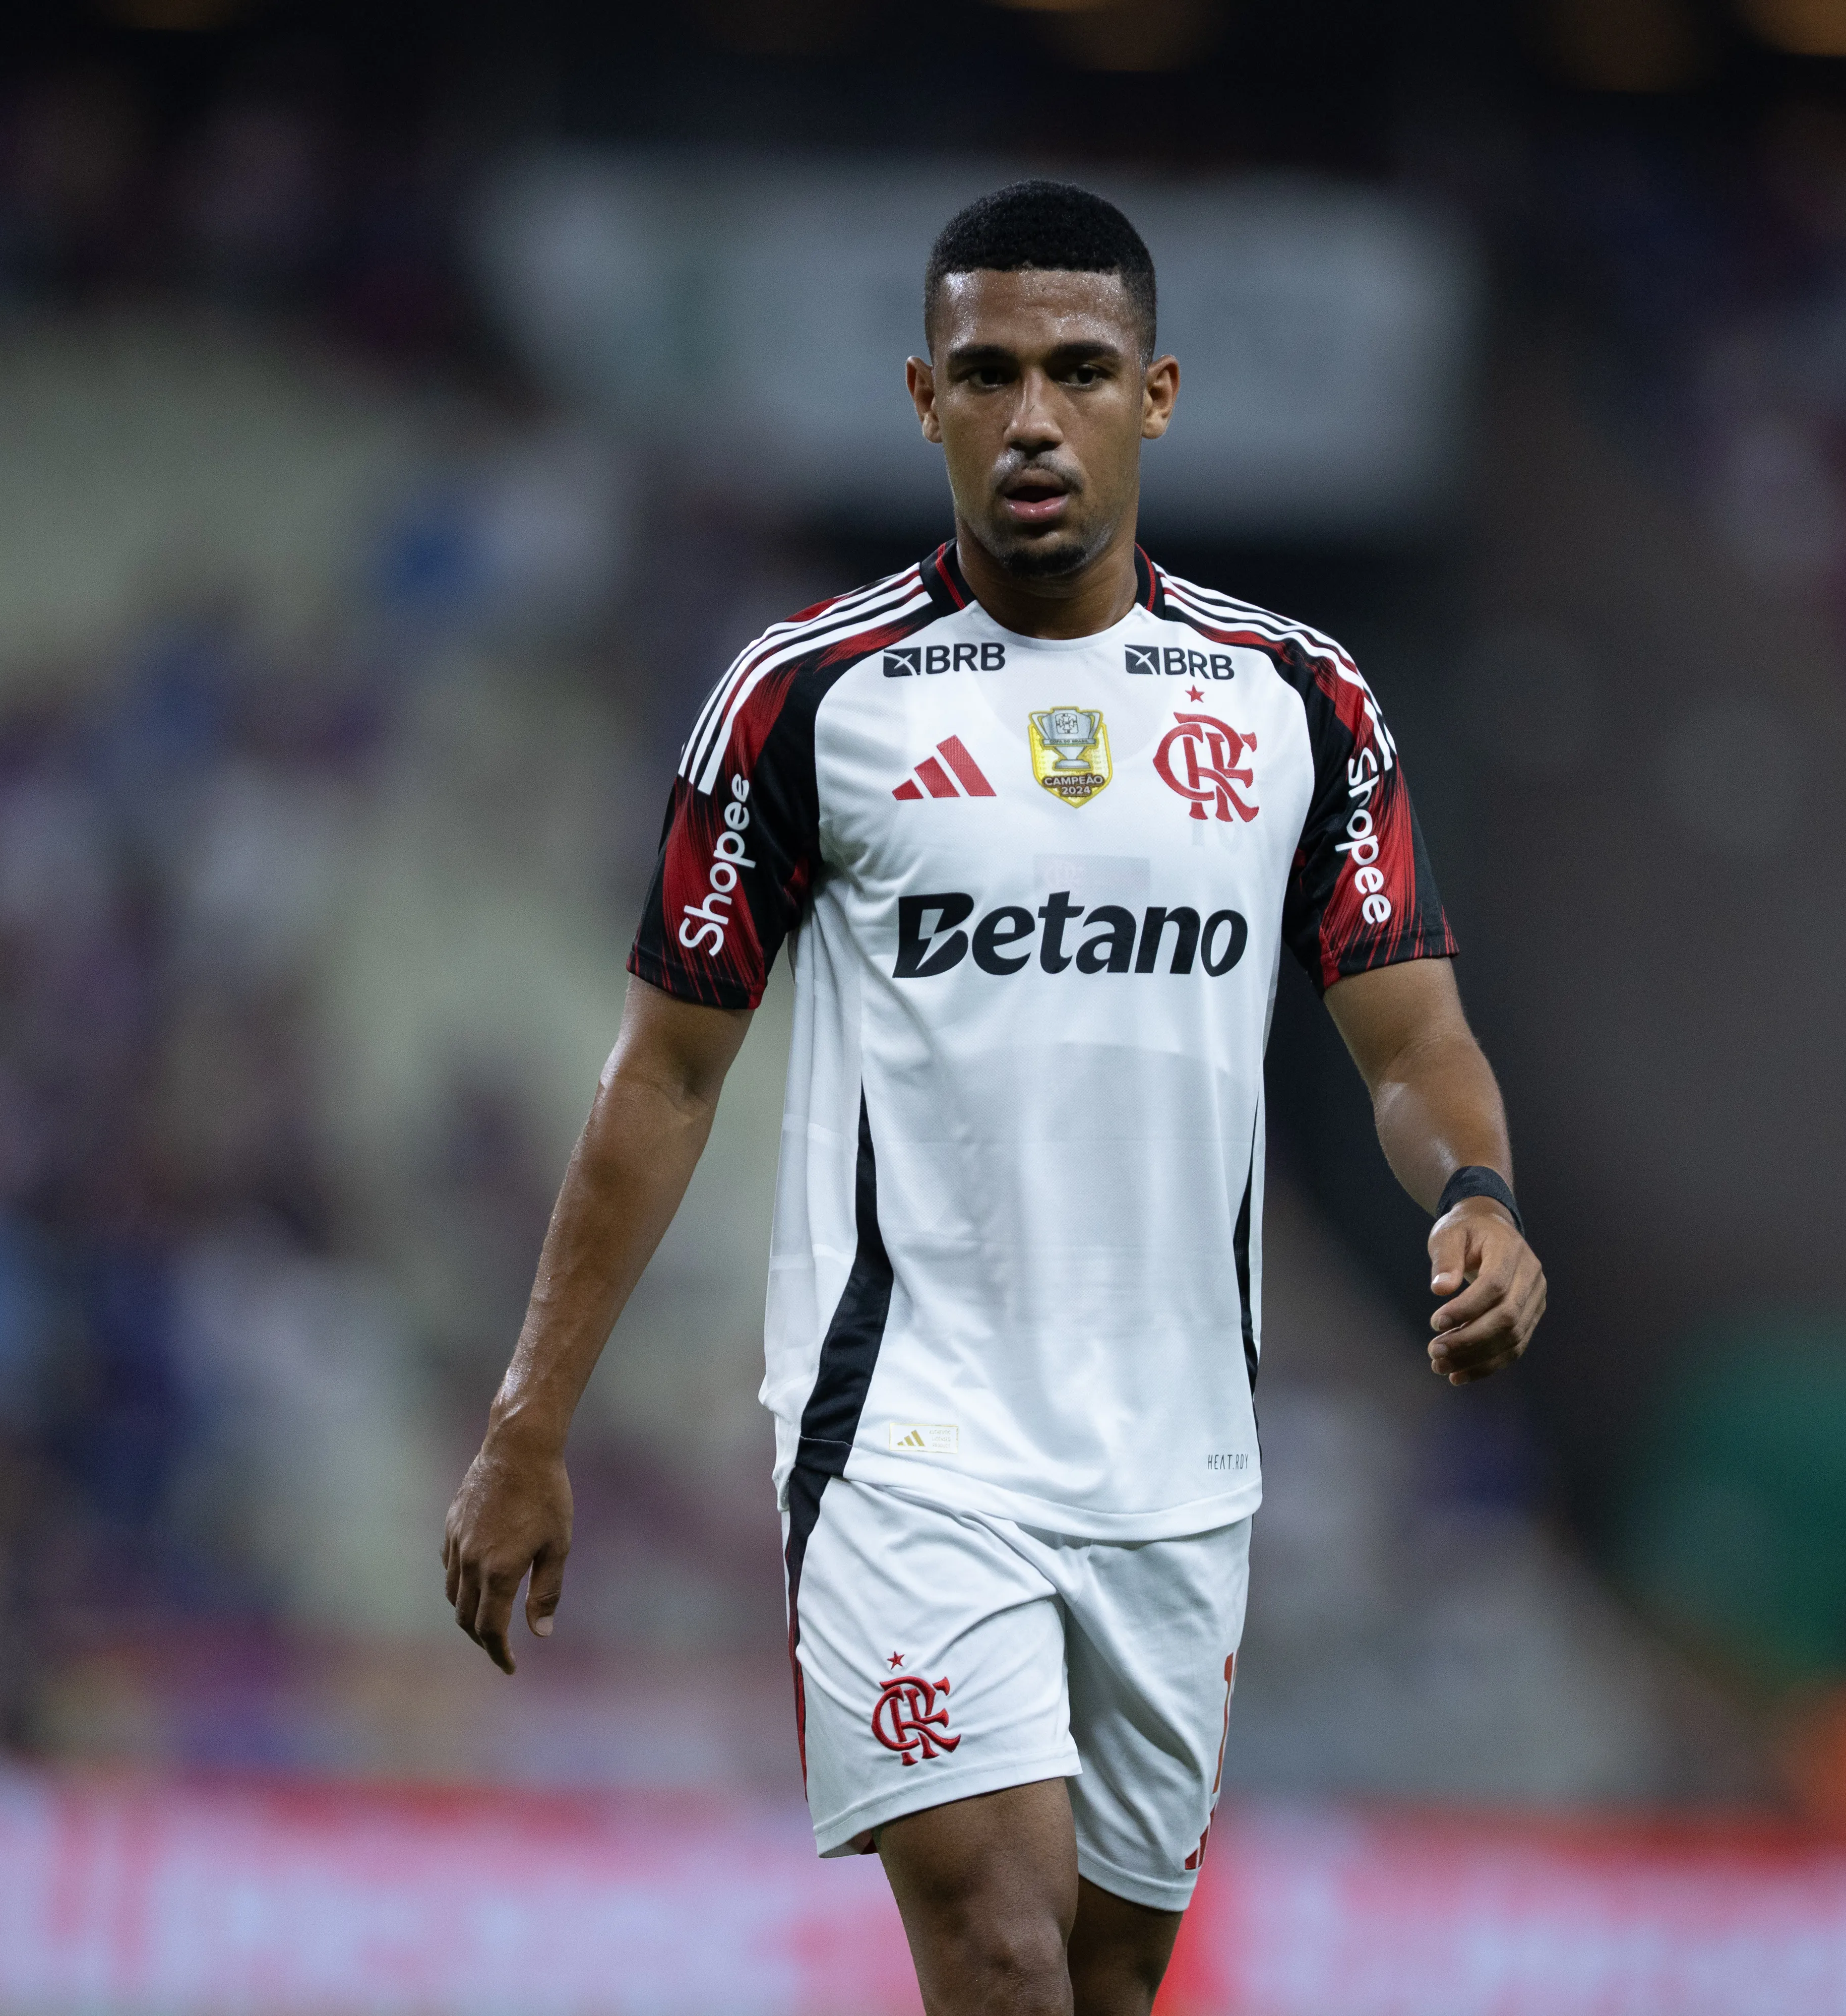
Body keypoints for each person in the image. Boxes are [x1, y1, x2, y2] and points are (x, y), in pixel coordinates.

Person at [440, 179, 1546, 2015]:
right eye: (990, 373)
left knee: (1108, 1984)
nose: (1035, 415)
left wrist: (1476, 1200)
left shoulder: (1300, 706)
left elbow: (1411, 1041)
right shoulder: (809, 700)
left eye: (1081, 370)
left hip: (1179, 1457)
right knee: (1004, 1948)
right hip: (908, 1438)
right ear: (923, 398)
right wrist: (529, 1416)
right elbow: (670, 1070)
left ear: (1160, 395)